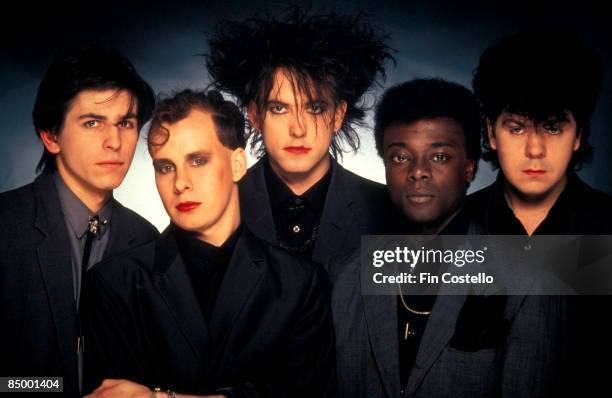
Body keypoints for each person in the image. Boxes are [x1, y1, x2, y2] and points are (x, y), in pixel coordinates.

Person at [84, 90, 334, 398]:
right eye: (165, 167)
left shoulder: (301, 283)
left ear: (238, 163)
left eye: (198, 160)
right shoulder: (114, 283)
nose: (180, 183)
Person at [330, 78, 566, 397]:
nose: (418, 171)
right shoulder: (346, 277)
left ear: (468, 168)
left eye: (439, 157)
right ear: (385, 166)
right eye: (401, 157)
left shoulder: (527, 281)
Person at [0, 47, 158, 397]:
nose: (114, 142)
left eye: (126, 123)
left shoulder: (149, 241)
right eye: (92, 122)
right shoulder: (5, 227)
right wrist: (50, 390)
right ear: (51, 136)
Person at [469, 32, 612, 397]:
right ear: (492, 132)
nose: (534, 148)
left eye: (552, 127)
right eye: (517, 127)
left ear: (578, 135)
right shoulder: (452, 226)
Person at [206, 6, 394, 264]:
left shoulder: (388, 212)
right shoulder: (214, 205)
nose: (298, 129)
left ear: (338, 115)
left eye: (315, 108)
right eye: (279, 108)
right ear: (255, 115)